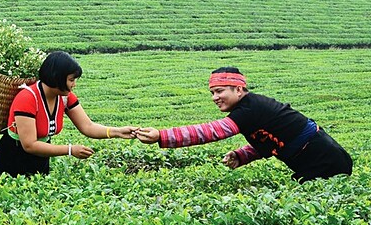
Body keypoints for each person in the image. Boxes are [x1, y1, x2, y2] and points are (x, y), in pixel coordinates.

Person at [136, 67, 352, 182]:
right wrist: (242, 155)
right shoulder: (249, 109)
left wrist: (161, 136)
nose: (214, 98)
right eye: (212, 93)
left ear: (238, 90)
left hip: (324, 159)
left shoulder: (250, 107)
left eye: (220, 91)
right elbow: (273, 138)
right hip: (313, 158)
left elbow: (212, 132)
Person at [0, 51, 138, 177]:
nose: (74, 84)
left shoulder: (65, 97)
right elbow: (30, 145)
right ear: (57, 77)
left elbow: (87, 126)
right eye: (71, 80)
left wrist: (117, 132)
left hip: (42, 156)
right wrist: (70, 150)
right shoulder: (27, 98)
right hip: (13, 157)